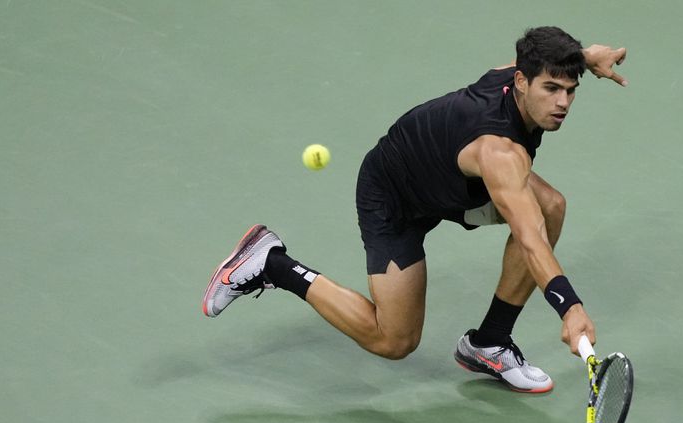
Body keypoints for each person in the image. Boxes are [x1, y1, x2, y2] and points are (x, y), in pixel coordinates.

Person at [202, 26, 627, 393]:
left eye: (570, 91)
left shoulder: (518, 76)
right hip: (394, 195)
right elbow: (531, 242)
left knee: (550, 206)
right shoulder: (500, 153)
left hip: (452, 184)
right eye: (551, 89)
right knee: (394, 341)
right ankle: (272, 263)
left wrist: (588, 58)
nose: (562, 103)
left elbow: (549, 64)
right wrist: (570, 308)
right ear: (520, 82)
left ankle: (489, 343)